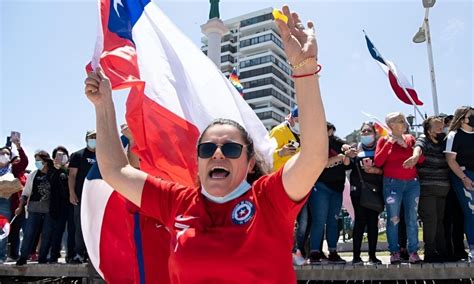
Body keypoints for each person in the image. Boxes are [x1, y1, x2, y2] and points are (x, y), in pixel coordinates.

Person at [84, 5, 328, 282]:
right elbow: (116, 171)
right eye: (208, 149)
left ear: (250, 163)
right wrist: (103, 105)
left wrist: (306, 71)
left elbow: (314, 157)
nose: (218, 154)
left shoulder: (269, 200)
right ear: (197, 161)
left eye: (232, 149)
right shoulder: (177, 202)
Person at [374, 112, 424, 264]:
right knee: (393, 218)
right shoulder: (384, 140)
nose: (404, 123)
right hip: (392, 184)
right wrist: (390, 143)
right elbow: (378, 161)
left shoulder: (411, 139)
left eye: (403, 121)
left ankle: (413, 251)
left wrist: (412, 154)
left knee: (412, 218)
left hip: (412, 183)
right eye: (401, 121)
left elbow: (421, 159)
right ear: (392, 125)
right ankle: (394, 252)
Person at [269, 106, 308, 265]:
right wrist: (281, 152)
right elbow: (264, 155)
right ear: (291, 117)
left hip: (301, 182)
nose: (301, 123)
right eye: (299, 119)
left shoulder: (306, 134)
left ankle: (297, 251)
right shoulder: (278, 131)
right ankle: (283, 253)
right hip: (280, 182)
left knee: (303, 221)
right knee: (284, 220)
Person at [308, 122, 350, 264]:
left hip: (337, 189)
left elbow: (347, 163)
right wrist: (339, 157)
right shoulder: (316, 144)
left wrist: (347, 154)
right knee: (319, 221)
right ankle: (314, 252)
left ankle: (333, 251)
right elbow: (322, 163)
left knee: (333, 221)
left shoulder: (339, 143)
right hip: (320, 186)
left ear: (330, 131)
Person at [411, 116, 450, 262]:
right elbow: (418, 148)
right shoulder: (423, 140)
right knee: (430, 220)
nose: (441, 129)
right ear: (429, 130)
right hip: (427, 188)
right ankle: (430, 251)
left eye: (442, 126)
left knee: (440, 220)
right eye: (438, 126)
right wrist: (415, 157)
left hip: (443, 188)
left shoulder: (443, 143)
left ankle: (442, 251)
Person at [15, 151, 61, 265]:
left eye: (39, 160)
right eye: (35, 160)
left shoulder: (54, 173)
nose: (37, 163)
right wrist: (20, 207)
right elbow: (25, 193)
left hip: (50, 210)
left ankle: (42, 257)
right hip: (34, 209)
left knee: (46, 235)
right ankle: (23, 256)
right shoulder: (33, 175)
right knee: (29, 234)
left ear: (45, 162)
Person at [348, 122, 383, 265]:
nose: (366, 134)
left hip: (375, 191)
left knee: (373, 224)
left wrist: (376, 170)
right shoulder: (355, 149)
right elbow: (347, 166)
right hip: (357, 192)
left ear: (375, 134)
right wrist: (347, 155)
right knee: (359, 223)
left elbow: (385, 169)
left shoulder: (380, 149)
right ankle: (356, 256)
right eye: (363, 131)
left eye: (369, 131)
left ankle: (372, 256)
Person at [445, 106, 474, 262]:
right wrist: (464, 177)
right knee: (471, 212)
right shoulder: (453, 135)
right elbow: (451, 160)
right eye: (471, 116)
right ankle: (473, 248)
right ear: (462, 119)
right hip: (464, 176)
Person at [68, 131, 97, 263]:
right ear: (86, 139)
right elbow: (72, 175)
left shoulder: (103, 155)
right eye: (92, 137)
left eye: (96, 137)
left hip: (97, 198)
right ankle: (79, 253)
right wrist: (72, 193)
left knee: (95, 226)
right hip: (81, 197)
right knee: (80, 226)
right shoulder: (77, 155)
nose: (94, 139)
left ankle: (93, 255)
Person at [48, 146, 75, 263]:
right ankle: (54, 255)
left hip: (72, 203)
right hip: (58, 205)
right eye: (58, 155)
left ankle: (71, 254)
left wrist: (66, 168)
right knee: (57, 230)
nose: (61, 157)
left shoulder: (72, 168)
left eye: (63, 155)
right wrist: (56, 169)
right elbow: (50, 182)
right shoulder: (52, 170)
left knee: (72, 230)